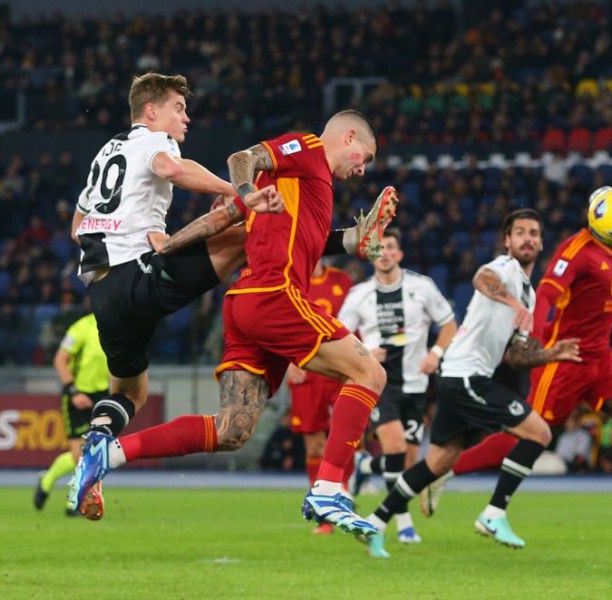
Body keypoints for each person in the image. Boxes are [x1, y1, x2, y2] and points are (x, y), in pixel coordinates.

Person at [69, 110, 398, 538]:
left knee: (231, 430)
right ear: (349, 136)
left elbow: (252, 226)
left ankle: (107, 456)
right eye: (365, 156)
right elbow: (243, 158)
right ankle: (330, 488)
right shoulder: (308, 150)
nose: (363, 167)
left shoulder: (307, 189)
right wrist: (245, 188)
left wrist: (352, 240)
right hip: (275, 296)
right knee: (370, 372)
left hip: (245, 304)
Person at [429, 187, 612, 547]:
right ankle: (444, 470)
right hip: (564, 359)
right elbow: (548, 294)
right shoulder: (575, 251)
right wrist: (532, 340)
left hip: (600, 358)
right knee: (530, 433)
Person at [69, 72, 280, 474]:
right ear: (151, 112)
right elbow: (172, 169)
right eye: (178, 108)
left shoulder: (106, 152)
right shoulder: (153, 139)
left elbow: (77, 228)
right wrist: (239, 192)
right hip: (139, 275)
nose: (186, 119)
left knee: (131, 392)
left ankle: (98, 439)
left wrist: (121, 232)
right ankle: (336, 244)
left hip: (103, 294)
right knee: (247, 231)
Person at [358, 209, 581, 558]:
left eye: (534, 233)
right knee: (539, 433)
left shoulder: (530, 294)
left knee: (439, 462)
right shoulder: (504, 270)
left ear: (541, 242)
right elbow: (482, 279)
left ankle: (374, 522)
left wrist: (553, 353)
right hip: (465, 375)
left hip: (461, 377)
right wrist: (510, 302)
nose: (527, 238)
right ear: (508, 241)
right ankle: (494, 514)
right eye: (519, 232)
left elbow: (517, 356)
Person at [339, 227, 458, 545]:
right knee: (393, 447)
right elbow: (339, 338)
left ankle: (366, 464)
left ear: (400, 254)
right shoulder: (359, 295)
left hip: (417, 385)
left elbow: (449, 323)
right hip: (380, 383)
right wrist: (363, 351)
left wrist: (436, 353)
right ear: (371, 255)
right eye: (379, 248)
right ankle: (403, 525)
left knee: (407, 462)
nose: (386, 253)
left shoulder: (422, 287)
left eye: (391, 247)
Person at [286, 257, 354, 534]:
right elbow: (279, 325)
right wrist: (288, 360)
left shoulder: (343, 281)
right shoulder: (289, 281)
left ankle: (344, 495)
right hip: (307, 370)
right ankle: (324, 513)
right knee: (314, 444)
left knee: (346, 435)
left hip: (340, 367)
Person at [34, 312, 109, 516]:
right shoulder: (82, 327)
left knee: (94, 453)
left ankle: (73, 503)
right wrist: (73, 391)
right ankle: (48, 480)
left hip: (102, 394)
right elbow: (60, 360)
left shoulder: (117, 325)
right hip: (77, 394)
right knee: (79, 455)